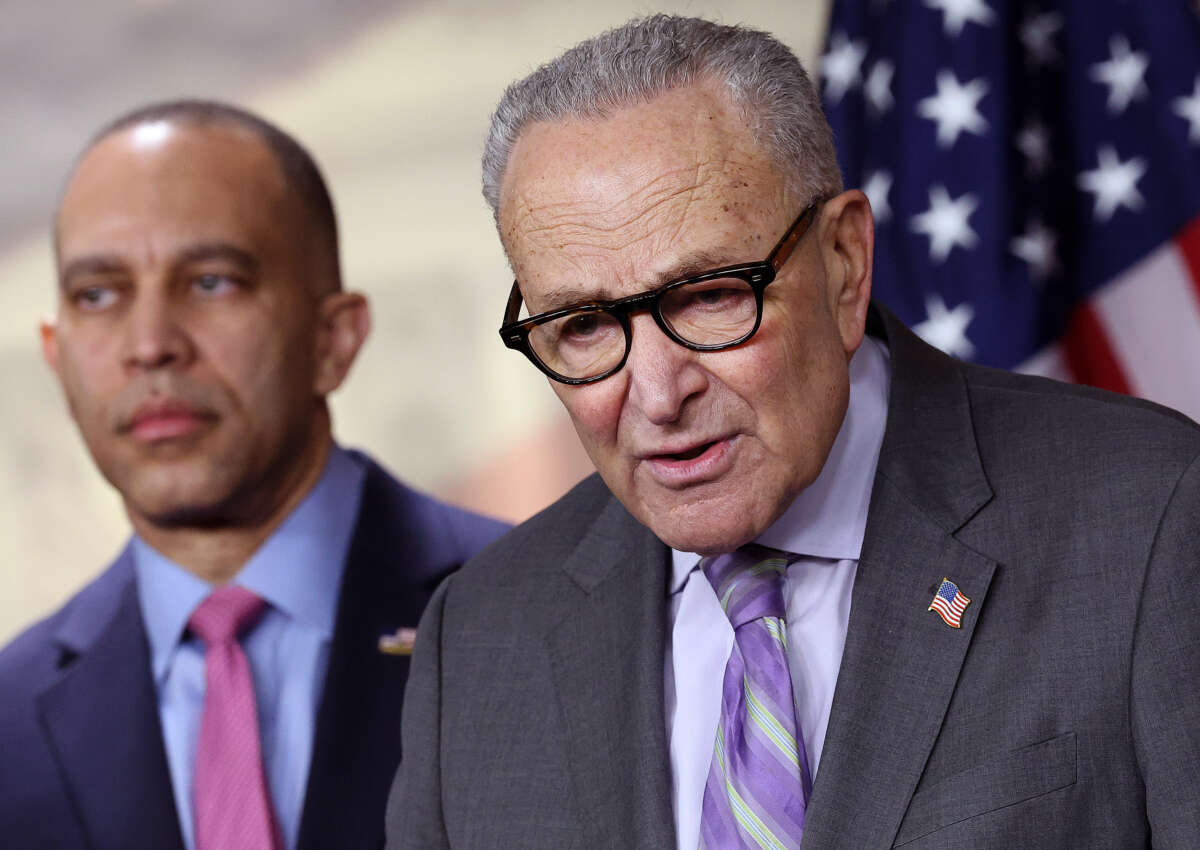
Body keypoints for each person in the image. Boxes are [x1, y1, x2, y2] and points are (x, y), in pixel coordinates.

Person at [386, 15, 1200, 850]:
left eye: (710, 295)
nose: (659, 394)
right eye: (586, 324)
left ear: (845, 263)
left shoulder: (1152, 521)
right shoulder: (481, 637)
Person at [0, 100, 508, 850]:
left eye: (211, 282)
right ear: (57, 356)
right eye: (98, 295)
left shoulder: (530, 616)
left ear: (334, 338)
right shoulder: (11, 713)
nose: (150, 346)